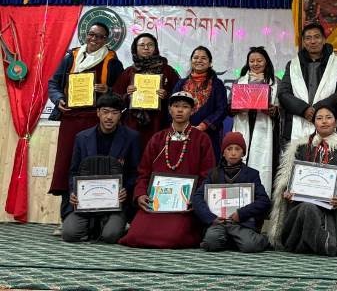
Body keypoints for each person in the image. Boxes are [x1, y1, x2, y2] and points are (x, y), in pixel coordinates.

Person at [48, 22, 124, 229]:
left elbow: (120, 93)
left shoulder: (112, 62)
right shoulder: (71, 57)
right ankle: (66, 217)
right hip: (70, 118)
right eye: (91, 34)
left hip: (95, 121)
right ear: (86, 35)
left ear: (106, 40)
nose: (94, 39)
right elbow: (53, 83)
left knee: (91, 165)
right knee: (67, 165)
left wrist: (108, 90)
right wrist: (58, 99)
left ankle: (97, 218)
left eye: (99, 36)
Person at [119, 91, 215, 248]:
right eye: (176, 106)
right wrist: (140, 194)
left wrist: (196, 199)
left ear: (192, 111)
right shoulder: (158, 138)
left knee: (172, 238)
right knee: (135, 236)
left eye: (185, 107)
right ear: (170, 110)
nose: (179, 110)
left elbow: (208, 175)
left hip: (184, 204)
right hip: (156, 202)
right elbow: (143, 172)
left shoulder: (202, 139)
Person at [268, 105, 337, 256]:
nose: (324, 121)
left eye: (328, 118)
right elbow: (289, 181)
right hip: (299, 207)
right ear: (314, 123)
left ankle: (313, 244)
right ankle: (324, 244)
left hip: (330, 211)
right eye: (319, 118)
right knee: (307, 208)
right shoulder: (299, 147)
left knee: (312, 210)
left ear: (336, 122)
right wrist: (287, 192)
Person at [62, 93, 141, 243]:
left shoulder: (132, 137)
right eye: (105, 112)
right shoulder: (82, 138)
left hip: (116, 203)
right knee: (69, 234)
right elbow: (73, 171)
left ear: (120, 115)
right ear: (98, 113)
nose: (109, 117)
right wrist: (73, 191)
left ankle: (108, 225)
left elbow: (135, 172)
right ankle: (93, 226)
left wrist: (126, 189)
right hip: (86, 202)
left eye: (115, 113)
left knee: (110, 236)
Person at [192, 132, 271, 253]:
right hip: (218, 223)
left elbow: (264, 201)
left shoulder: (251, 174)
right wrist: (211, 218)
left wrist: (241, 213)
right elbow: (197, 197)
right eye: (229, 149)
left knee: (250, 246)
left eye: (237, 149)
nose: (233, 153)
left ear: (243, 153)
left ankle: (260, 239)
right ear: (223, 153)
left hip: (241, 223)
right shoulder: (213, 174)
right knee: (211, 242)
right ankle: (234, 241)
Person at [278, 22, 337, 145]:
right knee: (297, 157)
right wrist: (304, 109)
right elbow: (283, 93)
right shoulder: (293, 65)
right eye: (308, 38)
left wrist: (318, 109)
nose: (312, 41)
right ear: (303, 42)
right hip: (297, 124)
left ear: (324, 39)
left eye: (317, 37)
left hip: (330, 124)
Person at [112, 33, 180, 149]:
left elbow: (179, 96)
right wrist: (127, 95)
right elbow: (115, 98)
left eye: (150, 45)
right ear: (135, 48)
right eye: (142, 45)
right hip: (133, 124)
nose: (146, 48)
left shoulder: (167, 71)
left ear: (156, 48)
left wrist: (166, 95)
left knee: (156, 152)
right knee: (134, 153)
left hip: (159, 122)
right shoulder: (129, 72)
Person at [231, 46, 280, 196]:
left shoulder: (275, 82)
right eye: (252, 61)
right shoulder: (239, 82)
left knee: (263, 162)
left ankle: (261, 198)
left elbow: (282, 110)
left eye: (259, 60)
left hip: (266, 129)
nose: (255, 64)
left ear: (266, 62)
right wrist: (236, 107)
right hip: (243, 124)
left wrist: (274, 111)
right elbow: (229, 109)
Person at [173, 46, 227, 162]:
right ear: (191, 61)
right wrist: (182, 126)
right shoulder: (181, 84)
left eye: (203, 58)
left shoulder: (217, 84)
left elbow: (222, 109)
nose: (199, 60)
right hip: (182, 133)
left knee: (207, 167)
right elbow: (172, 107)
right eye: (196, 57)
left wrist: (203, 126)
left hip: (208, 135)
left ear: (210, 63)